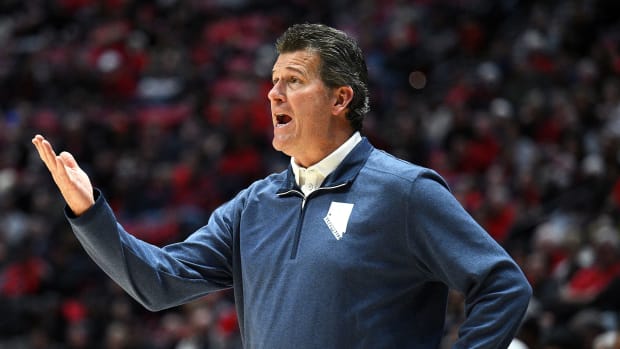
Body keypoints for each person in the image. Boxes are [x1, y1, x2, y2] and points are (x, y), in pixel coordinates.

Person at [32, 23, 532, 348]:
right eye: (273, 80)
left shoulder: (404, 191)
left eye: (293, 80)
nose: (273, 93)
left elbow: (502, 284)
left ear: (340, 99)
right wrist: (88, 212)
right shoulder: (252, 206)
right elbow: (157, 283)